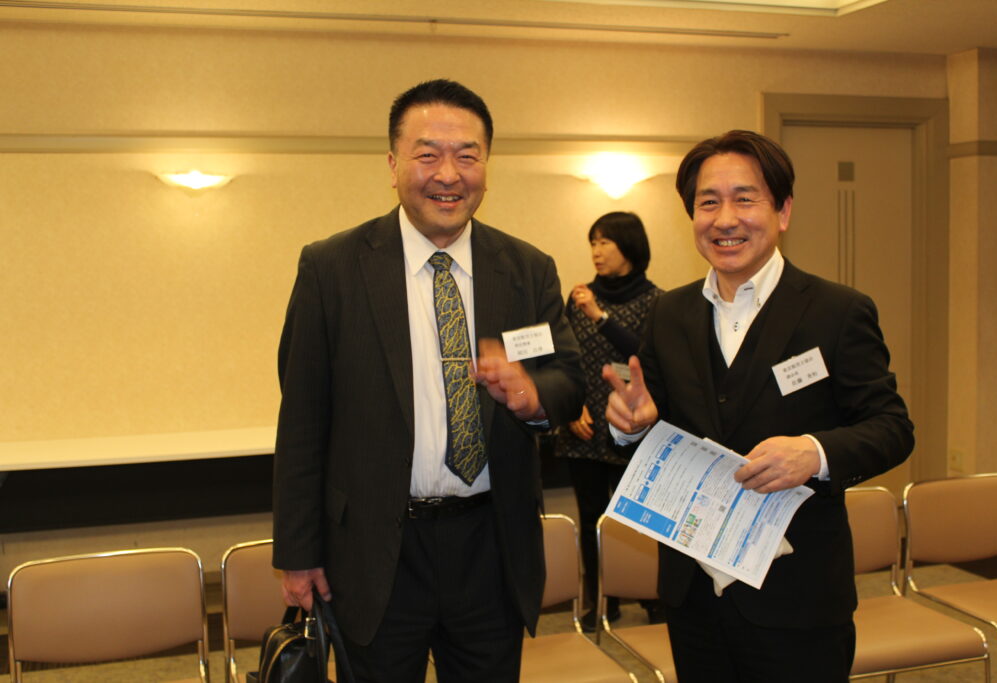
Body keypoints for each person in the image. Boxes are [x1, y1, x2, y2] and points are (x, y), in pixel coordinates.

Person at [272, 79, 585, 683]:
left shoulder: (526, 269)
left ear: (487, 166)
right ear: (393, 165)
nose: (448, 174)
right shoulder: (332, 268)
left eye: (467, 155)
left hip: (491, 546)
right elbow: (303, 421)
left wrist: (533, 398)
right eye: (427, 155)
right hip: (376, 551)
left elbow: (567, 380)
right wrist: (298, 553)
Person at [604, 130, 914, 682]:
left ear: (783, 210)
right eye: (708, 202)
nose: (725, 219)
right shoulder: (669, 314)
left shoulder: (837, 311)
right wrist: (633, 427)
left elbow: (892, 427)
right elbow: (656, 427)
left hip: (797, 595)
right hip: (693, 592)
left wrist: (814, 453)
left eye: (745, 199)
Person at [553, 211, 662, 630]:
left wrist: (599, 316)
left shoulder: (656, 301)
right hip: (584, 428)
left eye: (605, 242)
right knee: (591, 518)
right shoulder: (578, 297)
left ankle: (649, 595)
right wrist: (571, 407)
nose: (596, 252)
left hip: (633, 428)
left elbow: (645, 355)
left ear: (628, 247)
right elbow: (565, 358)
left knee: (637, 518)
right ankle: (601, 599)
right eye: (592, 243)